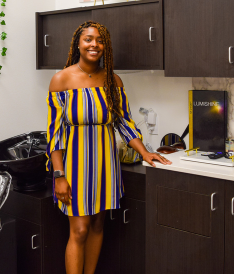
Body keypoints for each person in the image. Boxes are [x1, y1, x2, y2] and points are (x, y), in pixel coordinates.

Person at [46, 21, 171, 274]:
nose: (94, 45)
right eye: (89, 39)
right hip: (75, 168)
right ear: (78, 44)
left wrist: (144, 152)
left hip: (105, 166)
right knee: (79, 230)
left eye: (100, 41)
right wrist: (59, 176)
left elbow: (124, 122)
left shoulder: (113, 80)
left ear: (106, 46)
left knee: (97, 226)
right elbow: (55, 134)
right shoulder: (61, 80)